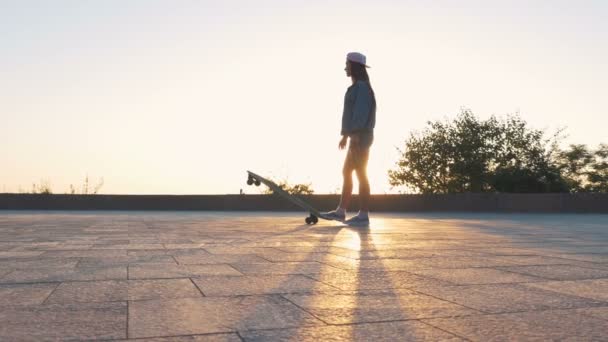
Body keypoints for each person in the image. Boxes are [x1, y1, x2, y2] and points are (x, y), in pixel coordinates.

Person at [322, 52, 376, 225]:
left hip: (360, 136)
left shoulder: (362, 87)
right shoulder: (356, 87)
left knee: (361, 174)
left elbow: (360, 114)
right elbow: (350, 114)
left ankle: (363, 215)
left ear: (354, 66)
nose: (345, 67)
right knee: (347, 172)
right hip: (355, 136)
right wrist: (345, 136)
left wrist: (356, 136)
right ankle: (341, 211)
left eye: (347, 64)